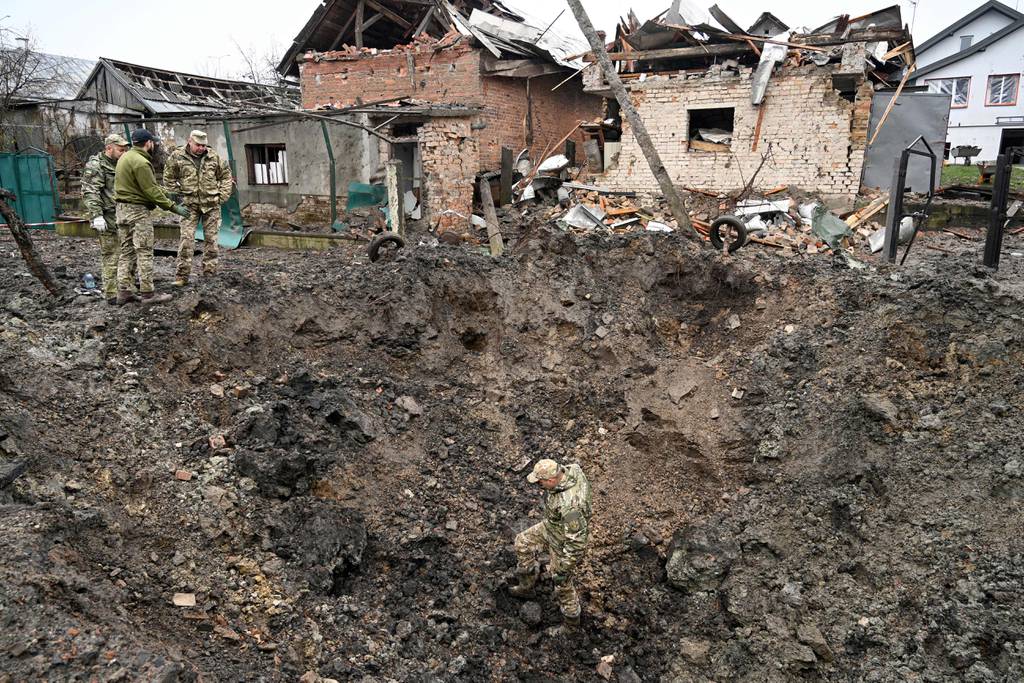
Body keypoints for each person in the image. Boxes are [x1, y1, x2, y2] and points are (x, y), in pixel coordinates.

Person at [509, 458, 593, 628]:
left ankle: (571, 624)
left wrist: (564, 568)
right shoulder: (572, 469)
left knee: (562, 584)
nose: (539, 485)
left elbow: (577, 543)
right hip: (552, 526)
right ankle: (528, 585)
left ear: (551, 480)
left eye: (540, 482)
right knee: (522, 542)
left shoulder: (570, 507)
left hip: (563, 541)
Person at [113, 129, 188, 305]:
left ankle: (123, 291)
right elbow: (150, 191)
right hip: (137, 213)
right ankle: (148, 293)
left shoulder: (125, 157)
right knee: (144, 251)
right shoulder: (141, 162)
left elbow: (142, 186)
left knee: (127, 252)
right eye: (153, 142)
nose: (154, 145)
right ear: (148, 143)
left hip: (121, 211)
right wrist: (173, 207)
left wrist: (167, 193)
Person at [162, 129, 233, 286]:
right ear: (190, 141)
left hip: (211, 205)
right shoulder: (177, 156)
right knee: (186, 240)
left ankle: (209, 273)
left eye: (203, 145)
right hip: (189, 206)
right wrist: (178, 195)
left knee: (211, 241)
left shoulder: (213, 157)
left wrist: (222, 197)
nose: (201, 148)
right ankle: (182, 276)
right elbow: (168, 177)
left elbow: (227, 177)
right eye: (198, 145)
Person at [82, 133, 136, 305]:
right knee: (112, 255)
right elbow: (90, 192)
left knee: (129, 253)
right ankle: (112, 293)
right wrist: (97, 215)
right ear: (109, 148)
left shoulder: (123, 163)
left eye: (125, 149)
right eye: (120, 149)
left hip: (125, 216)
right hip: (107, 218)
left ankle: (128, 288)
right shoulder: (96, 166)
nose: (124, 152)